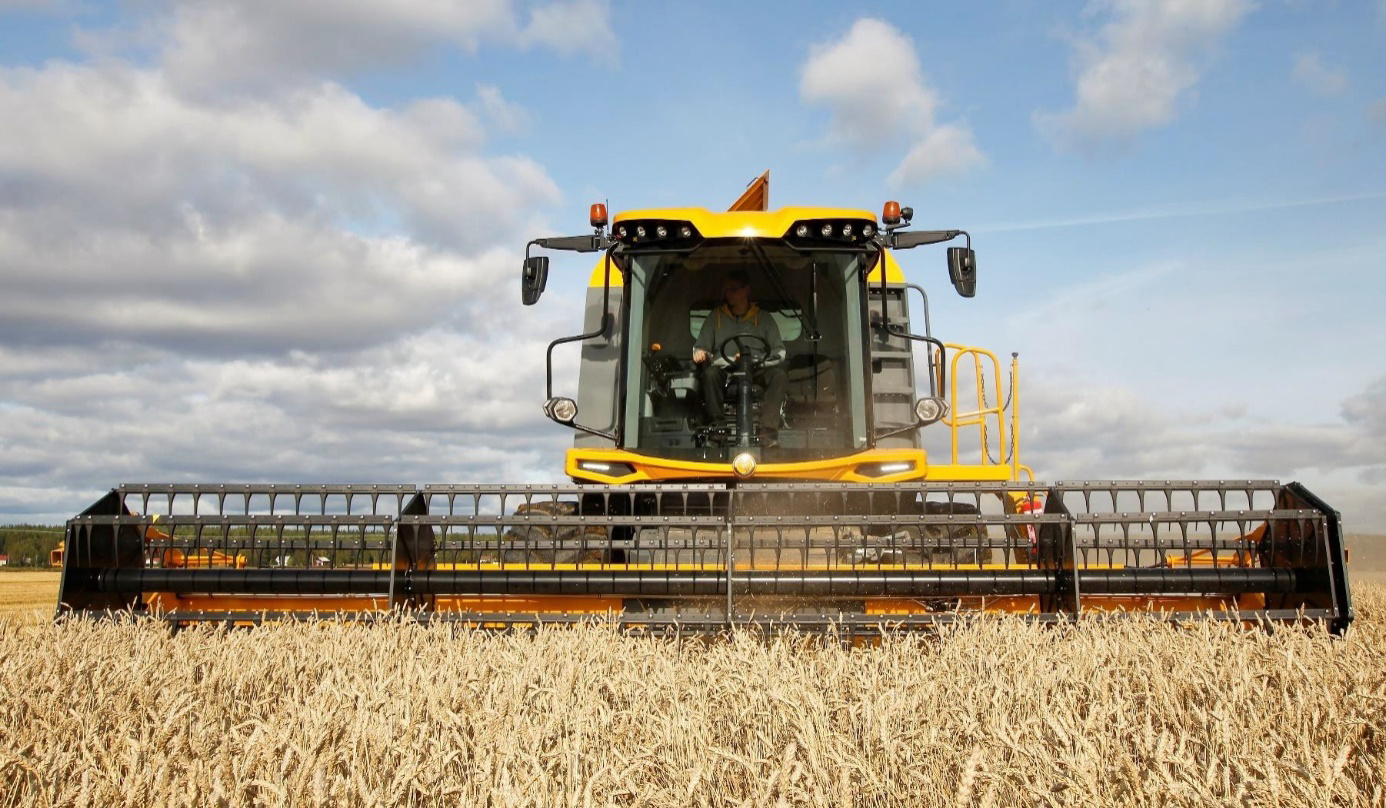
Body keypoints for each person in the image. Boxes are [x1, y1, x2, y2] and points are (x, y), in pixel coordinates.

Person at [692, 270, 788, 441]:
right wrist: (700, 353)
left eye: (733, 289)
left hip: (756, 369)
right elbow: (701, 347)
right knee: (709, 374)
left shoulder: (764, 318)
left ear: (746, 290)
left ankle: (767, 430)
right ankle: (718, 428)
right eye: (726, 290)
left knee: (779, 375)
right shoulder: (715, 318)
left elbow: (779, 352)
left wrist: (757, 360)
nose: (728, 294)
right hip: (726, 371)